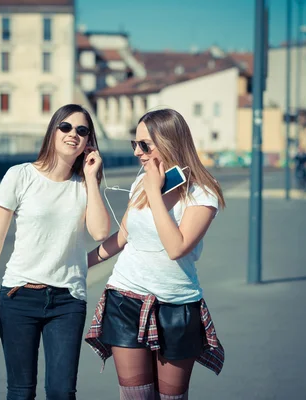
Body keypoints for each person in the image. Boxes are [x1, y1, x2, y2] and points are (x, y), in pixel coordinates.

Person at [0, 104, 111, 400]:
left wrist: (91, 177)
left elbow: (100, 233)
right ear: (53, 130)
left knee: (62, 392)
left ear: (88, 142)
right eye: (66, 127)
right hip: (19, 296)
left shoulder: (84, 185)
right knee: (21, 393)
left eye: (82, 131)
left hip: (67, 300)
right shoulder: (20, 176)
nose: (73, 134)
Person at [85, 108, 226, 400]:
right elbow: (123, 237)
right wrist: (79, 263)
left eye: (144, 145)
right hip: (126, 298)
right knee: (135, 396)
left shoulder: (202, 192)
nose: (137, 152)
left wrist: (154, 193)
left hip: (176, 306)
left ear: (170, 142)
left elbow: (177, 247)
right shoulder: (141, 182)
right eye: (133, 144)